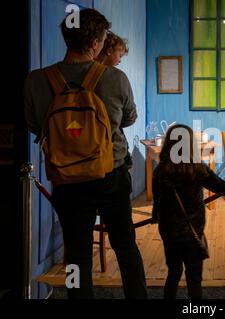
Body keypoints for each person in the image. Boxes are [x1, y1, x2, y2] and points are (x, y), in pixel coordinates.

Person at [24, 8, 147, 299]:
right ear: (94, 43)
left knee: (76, 254)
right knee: (125, 246)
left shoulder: (37, 81)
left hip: (66, 180)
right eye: (103, 40)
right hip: (110, 174)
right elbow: (128, 118)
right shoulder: (114, 79)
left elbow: (35, 125)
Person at [151, 124, 225, 299]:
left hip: (169, 232)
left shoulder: (160, 171)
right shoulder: (197, 169)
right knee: (194, 279)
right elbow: (224, 188)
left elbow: (157, 203)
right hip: (191, 233)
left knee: (173, 273)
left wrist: (155, 218)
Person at [96, 31, 133, 169]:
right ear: (109, 51)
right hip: (109, 154)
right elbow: (130, 117)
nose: (120, 59)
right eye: (120, 55)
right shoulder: (117, 77)